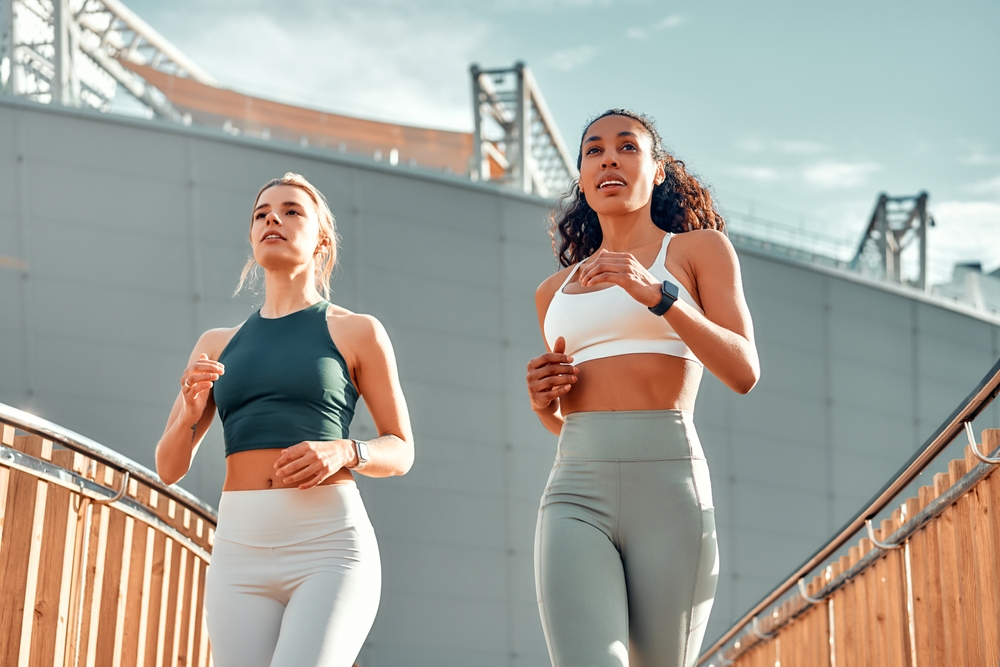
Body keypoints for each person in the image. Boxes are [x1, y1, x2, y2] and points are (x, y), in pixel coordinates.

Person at [526, 110, 759, 667]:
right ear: (582, 177)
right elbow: (563, 420)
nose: (609, 157)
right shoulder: (551, 292)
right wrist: (541, 402)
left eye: (627, 147)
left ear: (657, 172)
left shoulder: (698, 251)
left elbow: (744, 371)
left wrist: (659, 295)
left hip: (670, 485)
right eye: (593, 150)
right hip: (575, 487)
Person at [155, 172, 413, 667]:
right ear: (252, 236)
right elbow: (168, 468)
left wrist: (346, 450)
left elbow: (401, 448)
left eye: (292, 210)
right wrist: (190, 413)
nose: (272, 217)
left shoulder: (357, 331)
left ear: (321, 237)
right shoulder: (216, 343)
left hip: (330, 551)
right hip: (237, 554)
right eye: (261, 213)